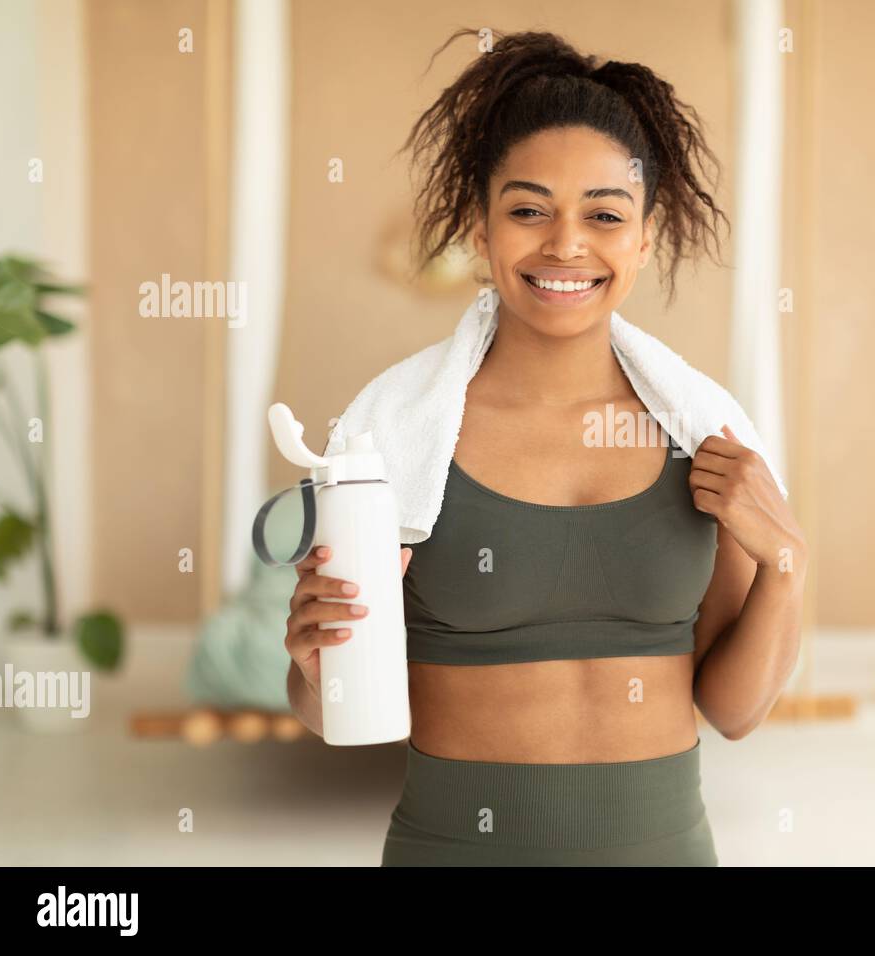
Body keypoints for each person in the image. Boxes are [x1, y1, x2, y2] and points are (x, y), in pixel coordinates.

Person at [282, 27, 806, 866]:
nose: (565, 244)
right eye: (528, 210)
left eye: (604, 215)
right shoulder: (397, 441)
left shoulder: (703, 437)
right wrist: (314, 666)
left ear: (643, 238)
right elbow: (330, 711)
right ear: (481, 229)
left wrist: (786, 562)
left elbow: (735, 712)